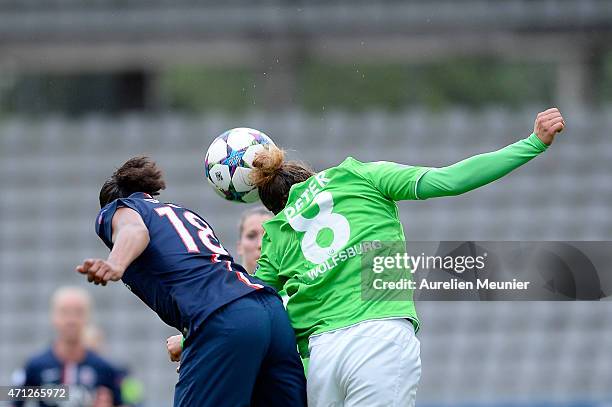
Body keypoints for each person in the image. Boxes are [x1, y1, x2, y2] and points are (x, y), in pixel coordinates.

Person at [250, 108, 566, 406]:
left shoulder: (276, 232)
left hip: (320, 358)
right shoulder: (358, 175)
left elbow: (256, 311)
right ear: (309, 175)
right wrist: (533, 143)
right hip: (380, 337)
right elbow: (451, 180)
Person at [75, 157, 306, 407]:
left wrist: (115, 263)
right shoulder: (183, 213)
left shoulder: (119, 210)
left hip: (223, 320)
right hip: (271, 313)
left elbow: (133, 230)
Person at [166, 207, 272, 364]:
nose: (260, 245)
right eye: (251, 236)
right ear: (239, 246)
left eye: (268, 236)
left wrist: (189, 341)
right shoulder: (221, 291)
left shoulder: (292, 289)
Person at [12, 286, 123, 407]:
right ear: (53, 317)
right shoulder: (35, 366)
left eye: (79, 312)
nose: (71, 320)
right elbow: (12, 402)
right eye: (64, 312)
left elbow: (124, 402)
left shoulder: (104, 369)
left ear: (88, 317)